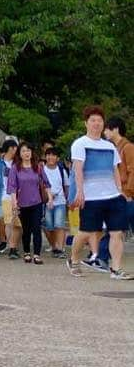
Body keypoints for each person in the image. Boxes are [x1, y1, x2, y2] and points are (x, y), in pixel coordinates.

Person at [68, 106, 130, 279]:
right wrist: (80, 192)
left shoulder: (109, 146)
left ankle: (116, 269)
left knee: (117, 232)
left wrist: (120, 191)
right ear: (86, 123)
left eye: (99, 121)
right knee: (86, 232)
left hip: (112, 196)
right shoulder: (80, 144)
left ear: (104, 124)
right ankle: (73, 259)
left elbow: (115, 170)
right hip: (91, 197)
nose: (96, 124)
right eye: (93, 120)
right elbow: (78, 170)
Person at [7, 142, 48, 264]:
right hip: (22, 203)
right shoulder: (15, 168)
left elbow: (46, 182)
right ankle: (26, 252)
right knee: (26, 229)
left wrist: (50, 197)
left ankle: (37, 254)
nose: (27, 153)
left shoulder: (38, 167)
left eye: (29, 150)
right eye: (24, 151)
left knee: (36, 228)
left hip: (36, 202)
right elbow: (12, 187)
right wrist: (14, 203)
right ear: (19, 153)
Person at [0, 139, 19, 254]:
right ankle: (3, 240)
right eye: (14, 148)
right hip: (1, 194)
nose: (16, 150)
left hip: (14, 196)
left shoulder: (17, 163)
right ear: (9, 149)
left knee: (11, 221)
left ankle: (12, 244)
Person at [41, 146, 70, 257]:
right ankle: (54, 246)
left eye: (53, 155)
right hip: (46, 202)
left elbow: (66, 186)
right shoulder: (42, 170)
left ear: (57, 158)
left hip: (60, 201)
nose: (50, 157)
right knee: (49, 226)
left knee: (59, 225)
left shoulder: (62, 170)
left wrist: (67, 199)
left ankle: (59, 248)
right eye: (48, 155)